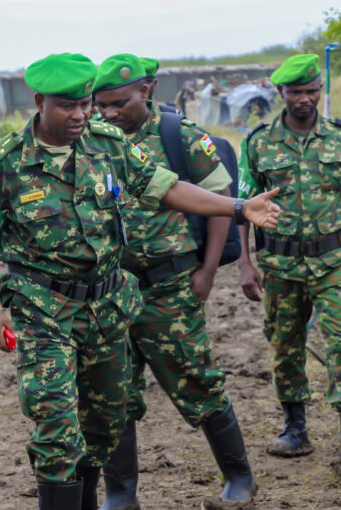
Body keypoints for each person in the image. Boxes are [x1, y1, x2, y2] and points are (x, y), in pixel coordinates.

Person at [0, 52, 279, 510]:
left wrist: (237, 207)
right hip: (43, 313)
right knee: (54, 427)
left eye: (85, 104)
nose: (81, 114)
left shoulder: (106, 144)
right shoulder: (9, 160)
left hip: (107, 309)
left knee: (104, 424)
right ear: (39, 102)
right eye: (67, 106)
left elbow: (167, 186)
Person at [90, 54, 255, 509]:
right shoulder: (95, 142)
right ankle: (121, 495)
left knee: (197, 381)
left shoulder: (177, 136)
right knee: (113, 393)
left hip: (170, 287)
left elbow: (220, 196)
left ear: (146, 90)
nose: (107, 113)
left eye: (117, 103)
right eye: (99, 105)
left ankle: (239, 478)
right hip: (112, 293)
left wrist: (206, 271)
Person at [236, 53, 341, 482]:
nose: (305, 99)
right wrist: (244, 263)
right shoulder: (258, 143)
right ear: (280, 93)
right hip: (281, 264)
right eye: (296, 91)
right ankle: (295, 429)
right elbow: (246, 207)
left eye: (311, 91)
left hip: (335, 261)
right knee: (285, 347)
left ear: (320, 91)